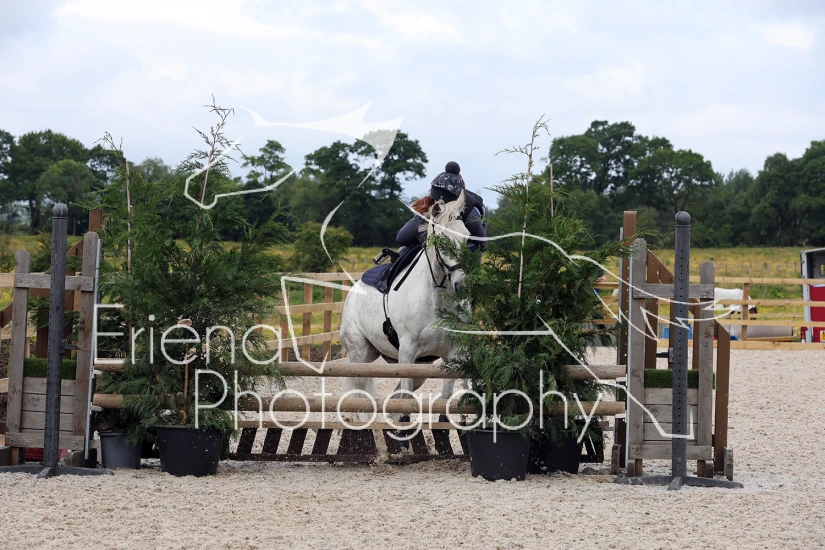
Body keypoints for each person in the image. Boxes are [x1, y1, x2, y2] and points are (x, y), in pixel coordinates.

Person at [396, 161, 486, 254]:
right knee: (403, 249)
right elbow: (401, 238)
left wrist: (456, 249)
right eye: (436, 199)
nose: (439, 205)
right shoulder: (431, 203)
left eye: (444, 203)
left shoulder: (471, 215)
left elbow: (480, 243)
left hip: (471, 237)